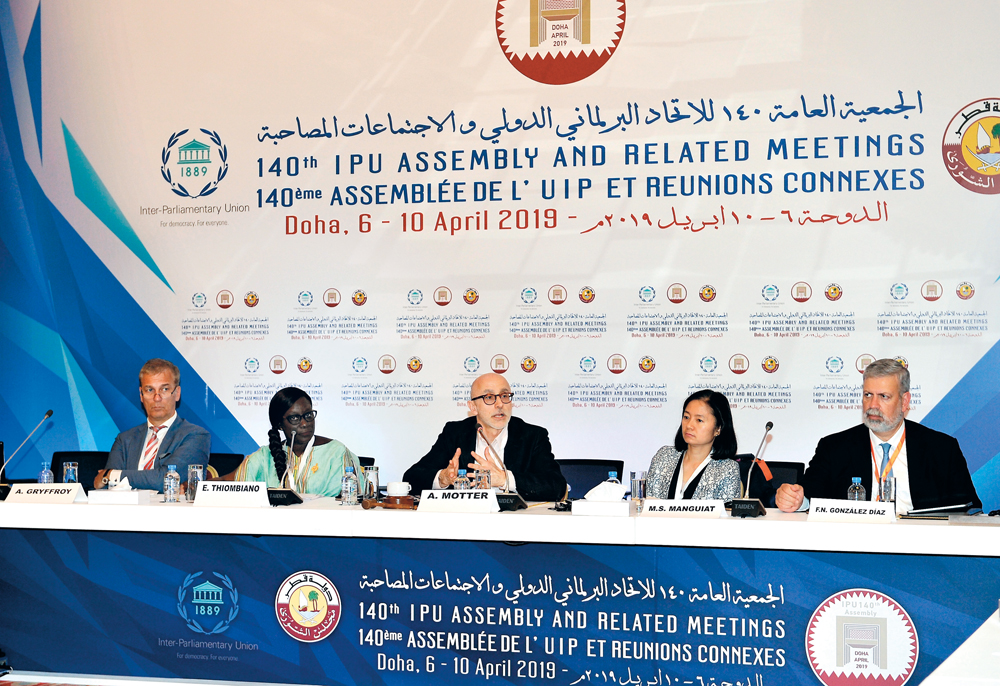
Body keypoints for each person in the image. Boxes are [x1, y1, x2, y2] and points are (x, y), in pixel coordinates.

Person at [776, 358, 982, 513]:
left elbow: (970, 508)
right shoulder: (835, 447)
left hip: (922, 548)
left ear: (904, 401)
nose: (873, 406)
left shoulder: (942, 448)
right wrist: (796, 500)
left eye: (884, 396)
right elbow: (809, 495)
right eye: (868, 395)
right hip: (855, 549)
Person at [403, 372, 566, 501]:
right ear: (473, 407)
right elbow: (411, 478)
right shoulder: (456, 433)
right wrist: (443, 478)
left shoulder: (532, 436)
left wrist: (504, 479)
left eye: (504, 396)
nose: (499, 404)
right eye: (489, 397)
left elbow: (556, 486)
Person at [94, 358, 210, 491]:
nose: (157, 398)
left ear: (177, 393)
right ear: (141, 395)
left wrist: (111, 475)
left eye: (164, 389)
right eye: (149, 390)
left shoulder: (196, 436)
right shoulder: (125, 440)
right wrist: (110, 478)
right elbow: (106, 488)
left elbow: (166, 481)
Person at [233, 387, 363, 497]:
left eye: (308, 415)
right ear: (279, 424)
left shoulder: (336, 453)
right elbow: (240, 493)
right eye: (295, 418)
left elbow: (354, 502)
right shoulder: (264, 457)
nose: (305, 423)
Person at [645, 389, 742, 500]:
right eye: (686, 417)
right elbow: (649, 504)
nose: (689, 425)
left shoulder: (727, 469)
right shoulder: (664, 457)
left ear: (718, 428)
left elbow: (727, 514)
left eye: (699, 420)